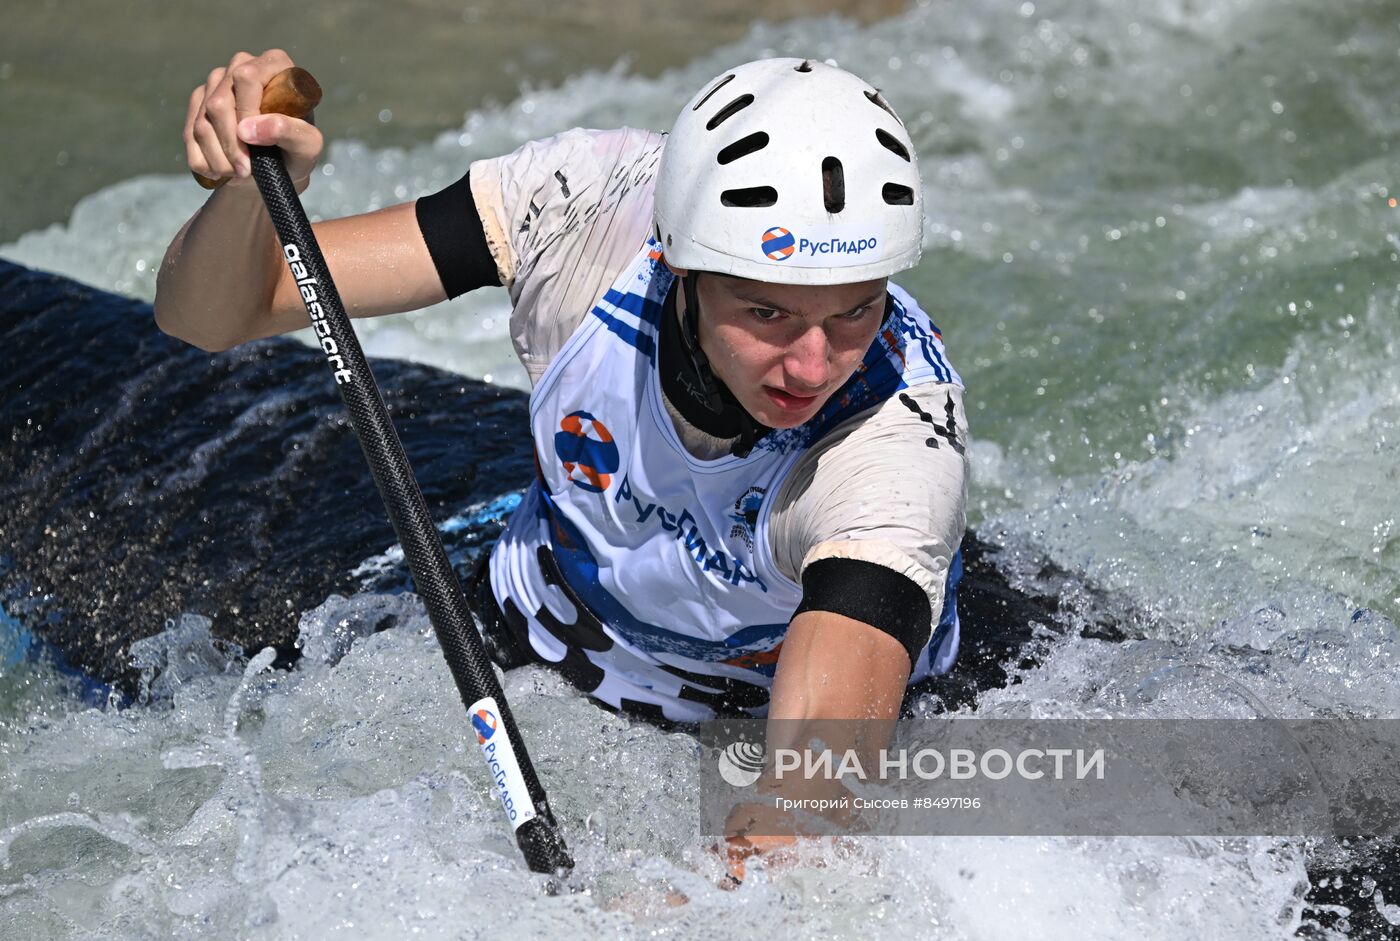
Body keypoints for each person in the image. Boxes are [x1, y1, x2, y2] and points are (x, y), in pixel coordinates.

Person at [156, 49, 970, 886]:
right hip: (536, 644)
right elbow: (212, 313)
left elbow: (801, 821)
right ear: (679, 262)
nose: (812, 364)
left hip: (736, 731)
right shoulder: (591, 207)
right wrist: (251, 194)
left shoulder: (897, 444)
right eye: (767, 311)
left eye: (854, 310)